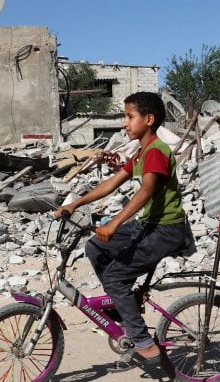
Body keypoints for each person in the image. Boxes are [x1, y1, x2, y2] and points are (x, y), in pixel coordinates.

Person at [54, 91, 187, 372]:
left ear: (148, 120)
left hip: (166, 230)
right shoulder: (141, 151)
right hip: (150, 225)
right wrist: (75, 203)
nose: (125, 124)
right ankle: (122, 304)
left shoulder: (157, 152)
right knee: (94, 247)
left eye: (129, 117)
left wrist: (114, 224)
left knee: (114, 276)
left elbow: (147, 190)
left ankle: (142, 340)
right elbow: (112, 183)